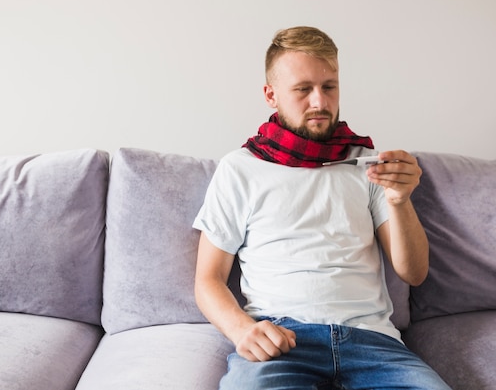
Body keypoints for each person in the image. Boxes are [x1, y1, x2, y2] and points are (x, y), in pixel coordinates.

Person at [193, 26, 450, 390]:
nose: (320, 102)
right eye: (303, 89)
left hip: (371, 340)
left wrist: (400, 200)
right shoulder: (240, 168)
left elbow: (414, 273)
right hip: (282, 338)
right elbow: (207, 280)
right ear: (271, 95)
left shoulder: (367, 164)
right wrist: (242, 331)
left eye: (329, 86)